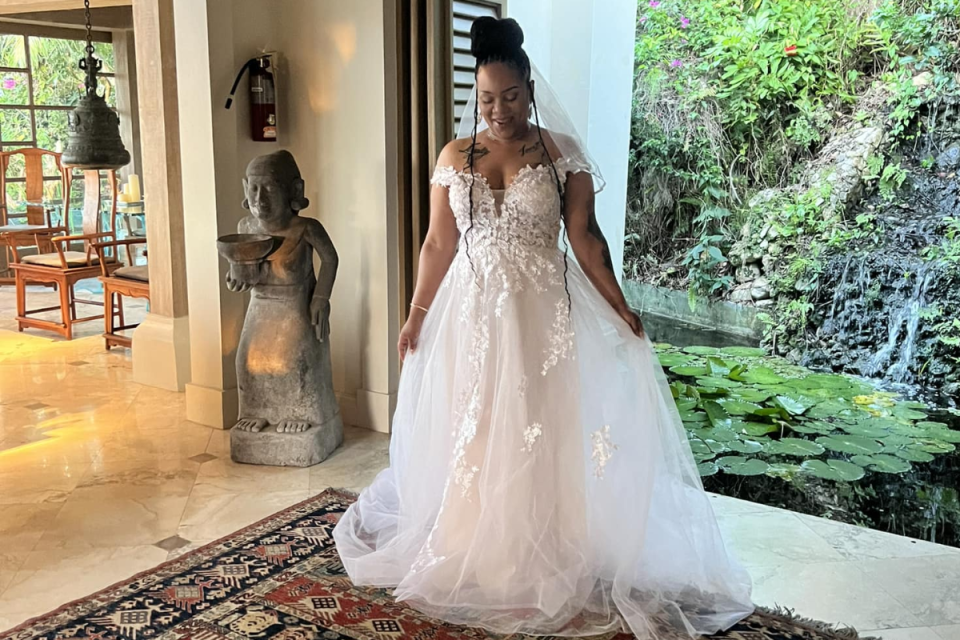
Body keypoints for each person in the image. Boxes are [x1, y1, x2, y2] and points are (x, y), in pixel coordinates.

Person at [333, 17, 754, 638]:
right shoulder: (455, 156)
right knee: (475, 426)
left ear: (529, 88)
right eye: (485, 99)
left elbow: (586, 238)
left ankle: (545, 551)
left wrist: (619, 304)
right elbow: (436, 245)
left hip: (541, 315)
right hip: (471, 313)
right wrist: (416, 313)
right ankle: (481, 545)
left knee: (538, 426)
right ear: (474, 97)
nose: (497, 110)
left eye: (508, 96)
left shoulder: (560, 155)